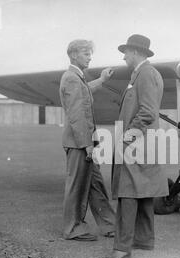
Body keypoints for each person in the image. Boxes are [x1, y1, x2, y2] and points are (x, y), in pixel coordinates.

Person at [101, 34, 169, 258]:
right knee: (144, 191)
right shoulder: (142, 74)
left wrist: (129, 134)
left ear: (137, 52)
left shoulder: (146, 74)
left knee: (127, 193)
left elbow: (148, 111)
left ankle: (122, 248)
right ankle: (143, 240)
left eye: (126, 51)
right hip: (143, 143)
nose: (123, 56)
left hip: (137, 143)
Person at [59, 39, 115, 241]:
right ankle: (73, 229)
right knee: (77, 186)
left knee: (96, 185)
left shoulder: (76, 77)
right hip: (79, 143)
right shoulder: (72, 78)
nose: (90, 57)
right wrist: (87, 145)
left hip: (81, 142)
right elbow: (76, 115)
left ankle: (110, 225)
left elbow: (85, 91)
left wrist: (102, 79)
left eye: (90, 53)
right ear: (74, 55)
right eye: (86, 53)